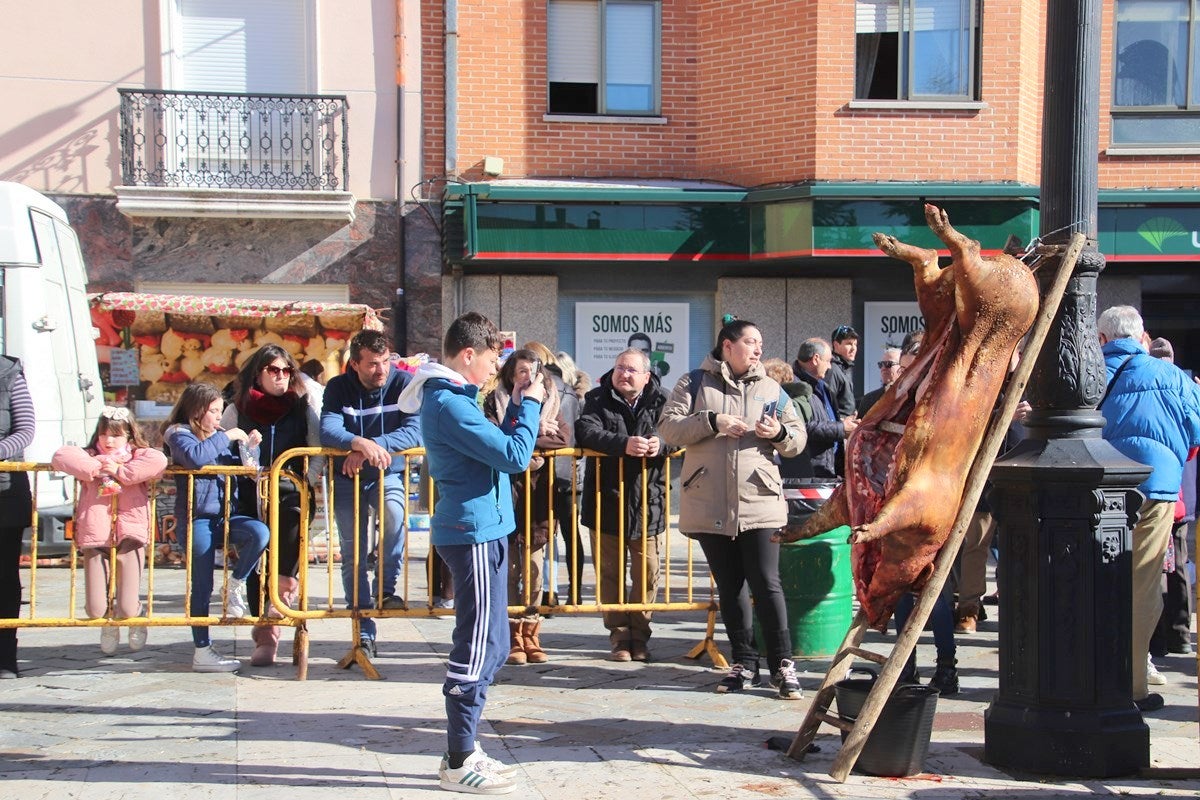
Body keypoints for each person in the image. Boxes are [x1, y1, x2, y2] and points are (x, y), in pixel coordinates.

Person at [397, 311, 543, 795]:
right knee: (476, 646)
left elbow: (499, 449)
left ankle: (466, 748)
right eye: (491, 359)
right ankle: (458, 757)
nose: (494, 369)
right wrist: (532, 406)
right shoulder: (447, 404)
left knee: (496, 642)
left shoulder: (457, 398)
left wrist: (521, 400)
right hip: (472, 533)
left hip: (487, 528)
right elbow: (514, 455)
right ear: (467, 355)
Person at [658, 319, 806, 699]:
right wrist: (712, 421)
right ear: (728, 346)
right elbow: (669, 429)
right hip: (710, 499)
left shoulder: (773, 388)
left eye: (760, 343)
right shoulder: (692, 383)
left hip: (760, 500)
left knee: (767, 582)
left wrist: (780, 434)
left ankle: (783, 665)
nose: (757, 349)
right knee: (731, 586)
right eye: (750, 342)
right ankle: (744, 662)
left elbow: (798, 439)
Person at [1097, 306, 1200, 713]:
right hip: (1156, 489)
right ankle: (1133, 686)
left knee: (1095, 584)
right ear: (1143, 337)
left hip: (1097, 491)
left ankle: (1094, 678)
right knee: (1142, 585)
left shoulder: (1089, 374)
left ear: (1102, 340)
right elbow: (1194, 433)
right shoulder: (1175, 377)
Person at [320, 330, 422, 658]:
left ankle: (385, 590)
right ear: (355, 364)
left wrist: (371, 448)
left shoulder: (404, 382)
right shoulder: (338, 387)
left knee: (395, 515)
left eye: (385, 362)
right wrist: (358, 443)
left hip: (386, 472)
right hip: (347, 477)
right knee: (353, 552)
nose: (381, 370)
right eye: (372, 365)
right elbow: (328, 429)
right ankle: (363, 628)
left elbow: (414, 429)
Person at [222, 344, 322, 666]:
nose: (281, 377)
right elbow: (224, 447)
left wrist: (308, 478)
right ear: (259, 373)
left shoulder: (301, 404)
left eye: (286, 371)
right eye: (273, 370)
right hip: (251, 494)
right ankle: (262, 632)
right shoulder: (238, 407)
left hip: (291, 493)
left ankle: (275, 624)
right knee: (256, 559)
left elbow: (316, 444)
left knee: (288, 560)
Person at [164, 383, 271, 672]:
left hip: (225, 515)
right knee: (201, 584)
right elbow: (195, 458)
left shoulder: (219, 436)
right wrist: (230, 436)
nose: (218, 418)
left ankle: (235, 583)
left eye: (220, 412)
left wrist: (250, 448)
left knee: (259, 533)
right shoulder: (178, 433)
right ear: (196, 410)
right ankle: (202, 649)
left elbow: (248, 471)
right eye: (213, 411)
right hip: (197, 517)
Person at [575, 347, 671, 662]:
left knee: (648, 572)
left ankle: (640, 636)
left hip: (648, 501)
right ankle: (619, 636)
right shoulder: (596, 398)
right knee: (610, 574)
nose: (623, 374)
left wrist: (663, 444)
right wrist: (623, 445)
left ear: (646, 375)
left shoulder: (663, 400)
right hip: (605, 502)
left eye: (630, 369)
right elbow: (586, 432)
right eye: (619, 368)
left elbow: (682, 434)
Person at [51, 407, 167, 655]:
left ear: (129, 435)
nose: (109, 440)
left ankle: (135, 615)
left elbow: (159, 461)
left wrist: (121, 471)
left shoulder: (138, 455)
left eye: (116, 435)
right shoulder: (90, 456)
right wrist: (99, 466)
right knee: (94, 608)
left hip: (130, 533)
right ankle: (107, 621)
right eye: (104, 434)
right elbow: (61, 455)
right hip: (96, 534)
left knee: (127, 606)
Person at [482, 348, 568, 666]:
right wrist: (532, 433)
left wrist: (527, 436)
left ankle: (532, 633)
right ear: (509, 374)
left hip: (540, 500)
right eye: (521, 371)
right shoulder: (495, 401)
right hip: (507, 496)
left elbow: (563, 439)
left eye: (533, 371)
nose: (527, 377)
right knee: (510, 570)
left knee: (533, 569)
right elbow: (496, 438)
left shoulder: (552, 403)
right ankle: (512, 634)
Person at [525, 342, 586, 608]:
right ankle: (575, 591)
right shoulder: (570, 391)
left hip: (545, 472)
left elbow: (561, 434)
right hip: (569, 472)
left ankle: (545, 592)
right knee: (570, 535)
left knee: (542, 533)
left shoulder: (544, 391)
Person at [1146, 337, 1196, 660]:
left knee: (1159, 566)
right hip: (1176, 494)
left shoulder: (1150, 388)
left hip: (1159, 492)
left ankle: (1164, 638)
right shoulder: (1182, 389)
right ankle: (1177, 634)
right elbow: (1193, 446)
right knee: (1174, 564)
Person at [0, 356, 34, 679]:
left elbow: (25, 431)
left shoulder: (9, 374)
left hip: (5, 493)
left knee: (5, 579)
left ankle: (5, 657)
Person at [787, 338, 859, 480]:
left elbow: (824, 420)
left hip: (829, 471)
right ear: (815, 359)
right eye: (828, 361)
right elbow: (800, 427)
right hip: (809, 474)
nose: (830, 367)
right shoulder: (794, 387)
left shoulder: (823, 386)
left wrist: (843, 423)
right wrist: (841, 428)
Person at [856, 346, 902, 418]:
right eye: (881, 364)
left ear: (901, 367)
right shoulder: (869, 400)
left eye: (888, 364)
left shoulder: (912, 397)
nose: (883, 368)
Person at [826, 324, 859, 420]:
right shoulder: (832, 369)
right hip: (839, 429)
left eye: (855, 344)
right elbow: (827, 404)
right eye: (849, 344)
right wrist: (841, 421)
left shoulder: (842, 368)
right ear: (836, 345)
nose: (853, 348)